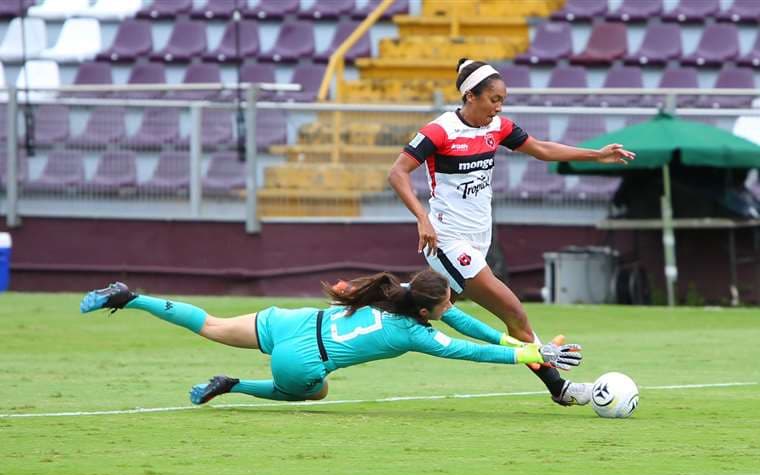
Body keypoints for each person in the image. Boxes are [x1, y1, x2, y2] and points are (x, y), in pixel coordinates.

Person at [388, 58, 636, 406]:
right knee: (514, 313)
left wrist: (595, 155)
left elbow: (542, 149)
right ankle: (559, 387)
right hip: (447, 240)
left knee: (421, 310)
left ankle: (356, 317)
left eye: (502, 99)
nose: (499, 107)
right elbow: (398, 173)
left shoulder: (498, 127)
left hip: (477, 240)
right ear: (470, 96)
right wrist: (422, 218)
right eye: (494, 99)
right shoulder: (440, 131)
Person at [79, 270, 582, 404]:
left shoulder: (398, 291)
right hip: (301, 359)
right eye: (448, 303)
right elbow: (471, 349)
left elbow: (467, 325)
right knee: (314, 391)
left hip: (291, 321)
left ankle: (132, 298)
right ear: (431, 309)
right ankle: (233, 386)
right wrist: (534, 355)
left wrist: (531, 347)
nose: (453, 307)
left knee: (209, 323)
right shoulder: (415, 334)